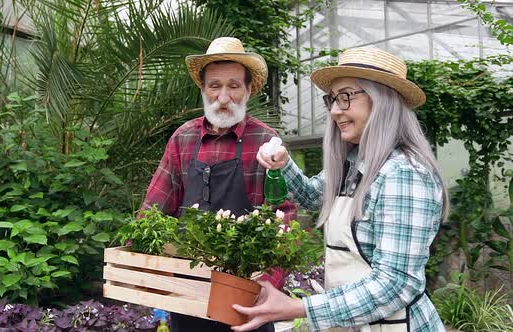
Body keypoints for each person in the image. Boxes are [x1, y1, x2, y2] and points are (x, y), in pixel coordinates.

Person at [232, 47, 449, 332]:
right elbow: (312, 196)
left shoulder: (404, 174)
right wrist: (283, 165)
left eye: (346, 97)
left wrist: (299, 307)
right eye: (332, 99)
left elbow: (396, 284)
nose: (335, 110)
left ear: (381, 100)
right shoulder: (355, 164)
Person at [140, 36, 296, 332]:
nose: (223, 97)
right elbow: (154, 209)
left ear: (249, 90)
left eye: (234, 86)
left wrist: (269, 283)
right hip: (189, 294)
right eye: (214, 86)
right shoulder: (183, 139)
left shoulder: (265, 140)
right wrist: (141, 266)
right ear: (203, 89)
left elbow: (284, 216)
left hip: (246, 298)